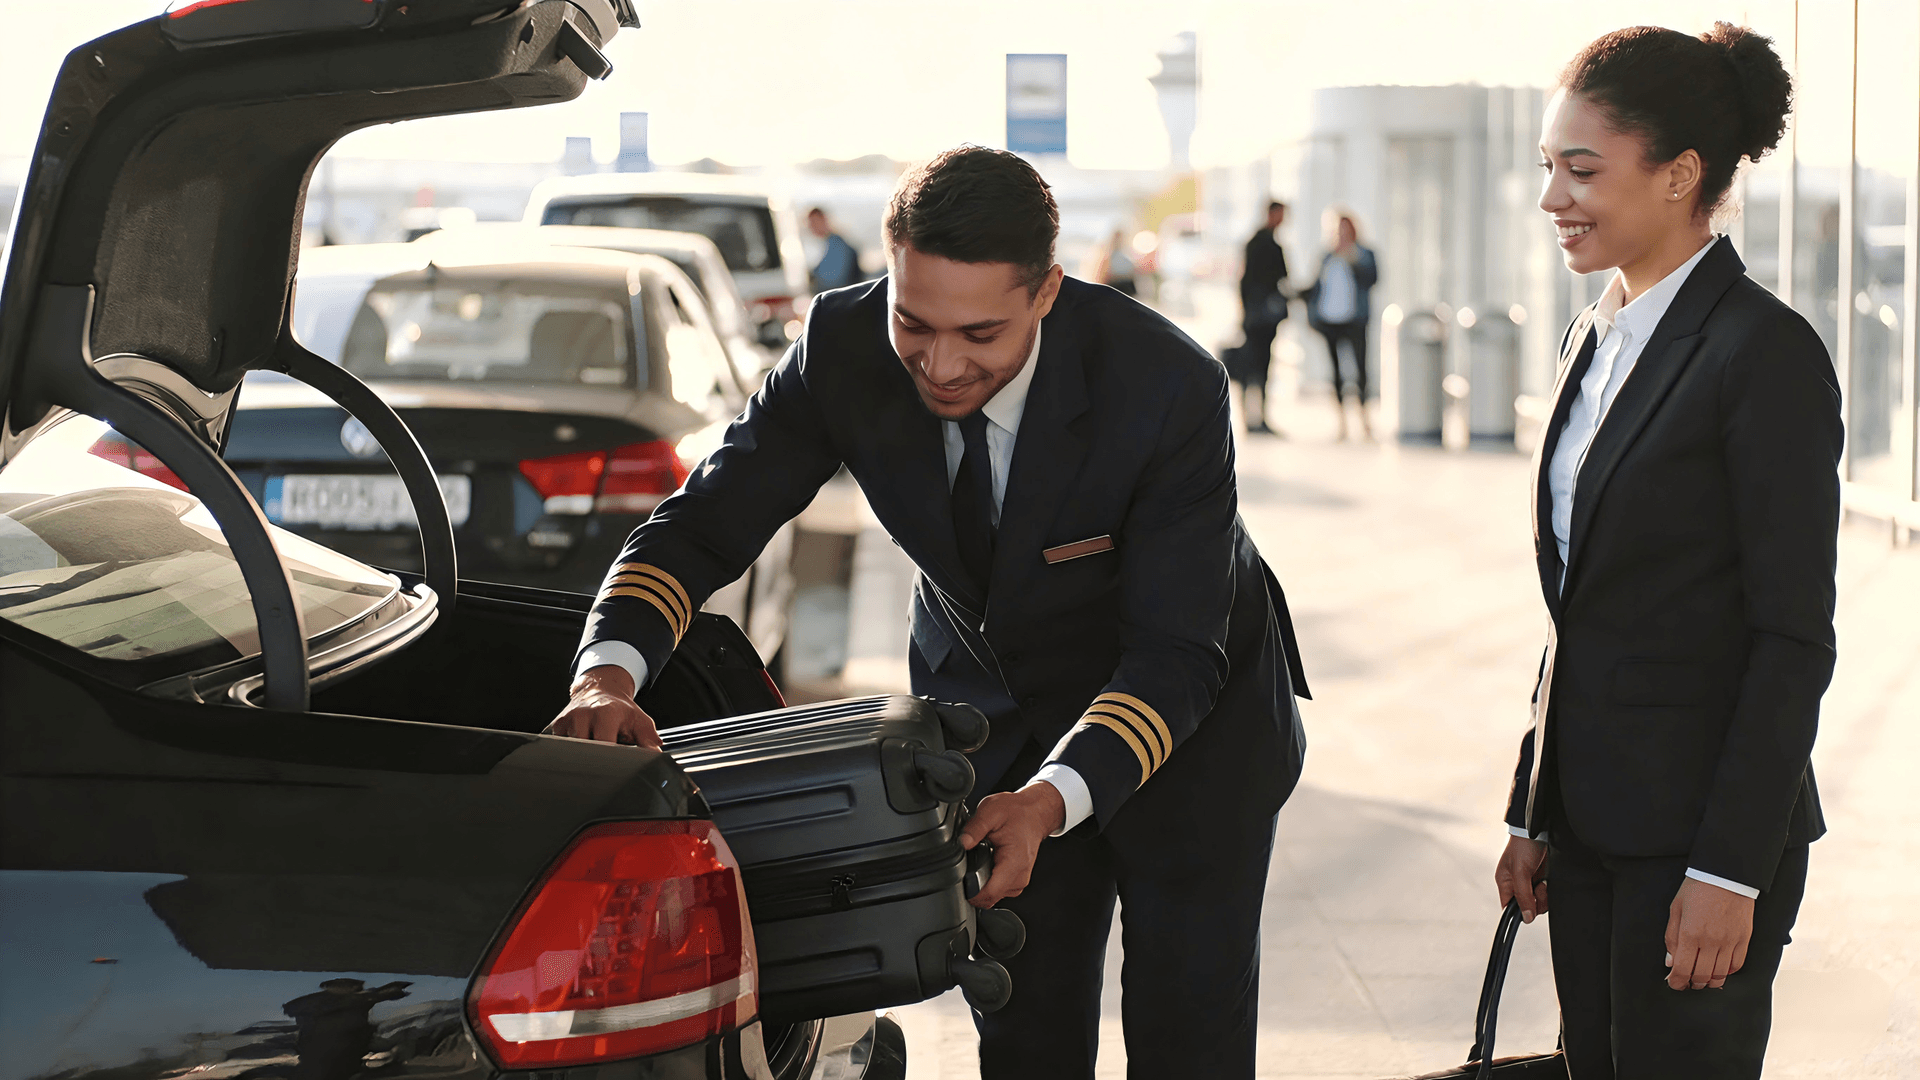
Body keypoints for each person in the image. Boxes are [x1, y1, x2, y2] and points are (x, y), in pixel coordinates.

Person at [549, 145, 1310, 1079]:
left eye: (980, 334)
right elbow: (700, 527)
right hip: (1001, 716)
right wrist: (605, 675)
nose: (941, 365)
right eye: (914, 323)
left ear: (1047, 292)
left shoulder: (1167, 384)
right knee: (1025, 1032)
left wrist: (1051, 801)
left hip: (1193, 735)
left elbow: (1174, 653)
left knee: (1188, 1033)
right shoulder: (841, 345)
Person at [1493, 24, 1835, 1080]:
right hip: (1590, 826)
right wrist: (1533, 805)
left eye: (1582, 170)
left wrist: (1729, 871)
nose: (1552, 196)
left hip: (1699, 841)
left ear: (1681, 174)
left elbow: (1792, 638)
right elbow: (1583, 606)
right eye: (1549, 166)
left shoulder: (1762, 354)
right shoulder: (1592, 339)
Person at [1302, 209, 1378, 440]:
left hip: (1354, 320)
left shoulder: (1364, 254)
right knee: (1335, 372)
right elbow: (1316, 287)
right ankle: (1342, 422)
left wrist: (1353, 260)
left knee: (1360, 370)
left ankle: (1364, 419)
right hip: (1329, 321)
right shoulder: (1326, 256)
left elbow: (1373, 279)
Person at [1232, 201, 1290, 434]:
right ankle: (1252, 416)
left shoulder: (1266, 242)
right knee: (1255, 366)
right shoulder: (1261, 243)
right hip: (1259, 317)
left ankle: (1257, 416)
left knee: (1260, 366)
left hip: (1260, 317)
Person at [806, 206, 862, 293]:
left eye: (814, 222)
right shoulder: (825, 244)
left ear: (824, 220)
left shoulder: (837, 244)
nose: (811, 227)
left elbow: (833, 281)